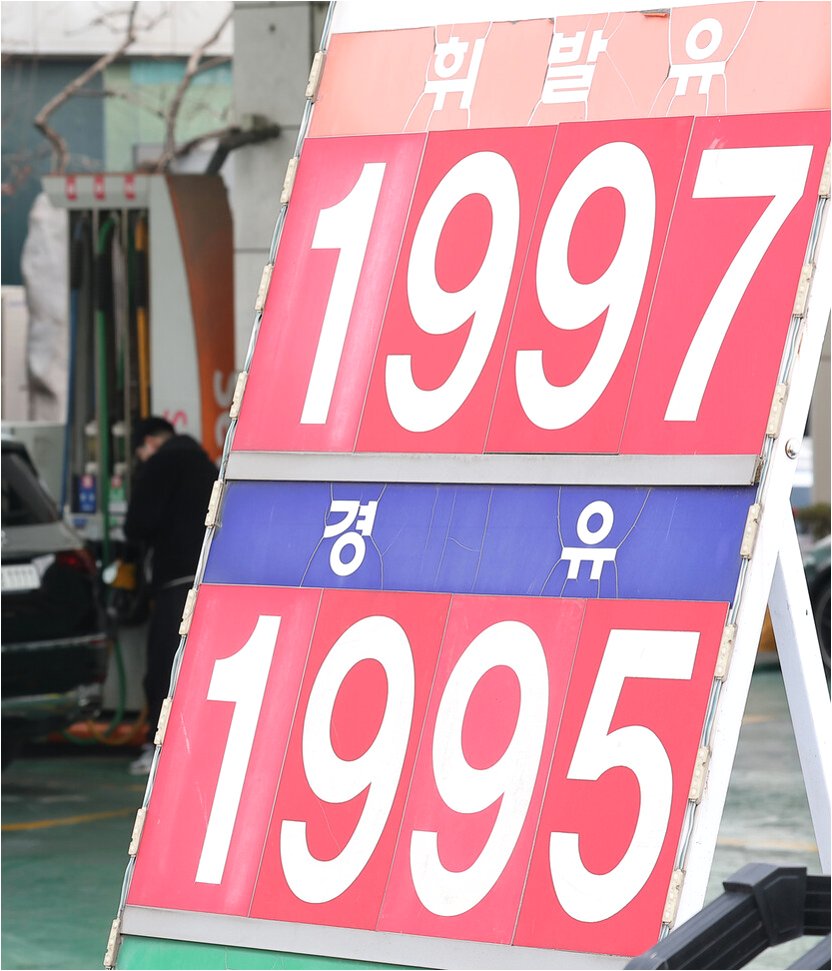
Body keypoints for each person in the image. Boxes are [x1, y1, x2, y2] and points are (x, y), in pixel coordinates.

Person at [124, 416, 217, 774]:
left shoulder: (160, 464)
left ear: (149, 442)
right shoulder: (207, 464)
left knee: (164, 668)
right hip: (209, 579)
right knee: (198, 667)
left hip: (174, 582)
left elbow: (138, 524)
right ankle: (197, 746)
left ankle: (158, 749)